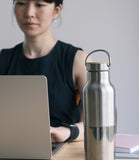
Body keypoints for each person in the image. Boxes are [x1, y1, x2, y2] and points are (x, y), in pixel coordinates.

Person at [0, 0, 88, 142]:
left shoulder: (78, 60)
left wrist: (66, 132)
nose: (29, 13)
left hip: (64, 151)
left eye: (39, 5)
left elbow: (101, 124)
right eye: (21, 3)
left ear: (56, 11)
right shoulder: (3, 60)